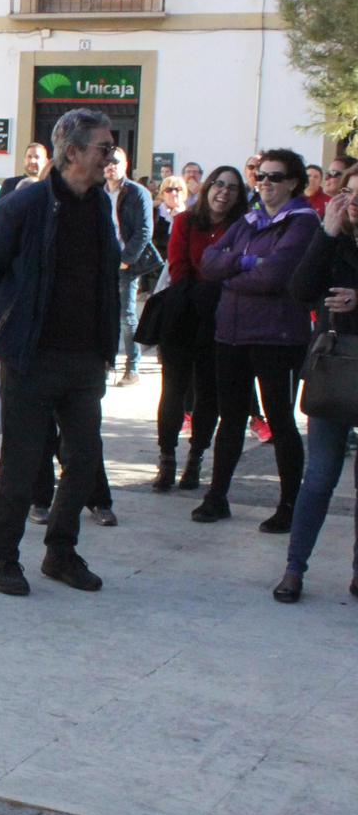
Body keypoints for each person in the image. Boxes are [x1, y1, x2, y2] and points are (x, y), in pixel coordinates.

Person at [0, 108, 119, 597]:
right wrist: (11, 324)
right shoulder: (25, 204)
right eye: (103, 148)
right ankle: (3, 558)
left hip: (84, 359)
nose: (111, 157)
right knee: (21, 462)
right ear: (72, 152)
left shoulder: (100, 204)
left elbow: (105, 279)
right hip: (32, 357)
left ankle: (61, 552)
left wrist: (105, 346)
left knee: (84, 460)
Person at [193, 150, 321, 531]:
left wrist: (230, 273)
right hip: (231, 333)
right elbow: (208, 261)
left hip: (277, 336)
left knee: (280, 419)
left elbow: (275, 276)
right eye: (260, 176)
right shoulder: (249, 220)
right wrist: (246, 264)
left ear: (294, 182)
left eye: (275, 177)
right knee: (230, 417)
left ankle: (288, 504)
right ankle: (217, 496)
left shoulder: (302, 222)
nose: (265, 183)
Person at [275, 170, 358, 603]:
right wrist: (326, 233)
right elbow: (301, 288)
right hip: (332, 368)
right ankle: (293, 569)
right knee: (320, 475)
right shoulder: (332, 239)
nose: (354, 201)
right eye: (349, 192)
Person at [152, 167, 249, 492]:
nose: (224, 192)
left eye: (232, 188)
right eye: (219, 184)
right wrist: (207, 288)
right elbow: (178, 266)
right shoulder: (185, 221)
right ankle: (166, 458)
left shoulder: (242, 228)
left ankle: (195, 460)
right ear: (207, 188)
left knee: (209, 393)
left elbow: (239, 267)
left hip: (221, 317)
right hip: (184, 312)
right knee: (173, 390)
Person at [106, 147, 155, 387]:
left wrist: (126, 259)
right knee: (104, 315)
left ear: (126, 164)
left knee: (126, 316)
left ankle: (132, 367)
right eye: (107, 161)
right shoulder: (97, 191)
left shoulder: (137, 193)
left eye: (116, 161)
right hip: (102, 262)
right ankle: (106, 365)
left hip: (125, 262)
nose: (110, 165)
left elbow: (145, 231)